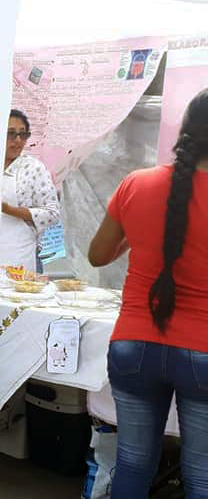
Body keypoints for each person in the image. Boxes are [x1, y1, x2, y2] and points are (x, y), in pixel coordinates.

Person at [88, 89, 208, 499]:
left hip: (133, 344)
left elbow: (98, 254)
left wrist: (139, 237)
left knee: (134, 462)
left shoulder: (136, 184)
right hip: (203, 351)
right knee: (202, 473)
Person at [0, 109, 60, 270]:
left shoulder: (33, 169)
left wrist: (9, 210)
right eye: (11, 134)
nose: (18, 140)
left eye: (23, 135)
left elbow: (52, 213)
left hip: (21, 257)